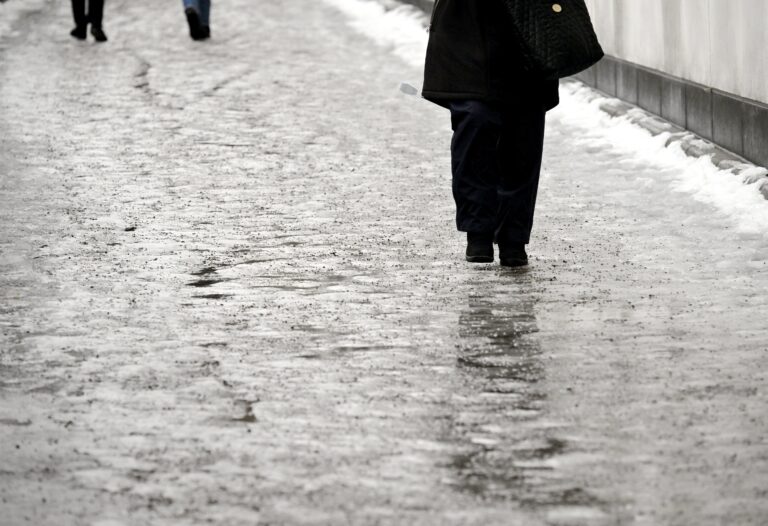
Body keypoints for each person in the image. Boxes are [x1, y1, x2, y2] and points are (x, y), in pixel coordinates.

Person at [422, 0, 560, 267]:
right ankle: (478, 232)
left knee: (523, 140)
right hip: (466, 35)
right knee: (475, 126)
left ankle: (513, 238)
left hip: (528, 35)